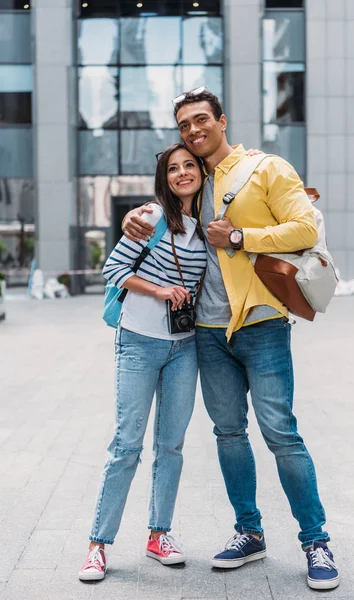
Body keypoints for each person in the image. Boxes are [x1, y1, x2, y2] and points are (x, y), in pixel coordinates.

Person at [122, 88, 340, 591]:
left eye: (201, 120)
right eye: (184, 125)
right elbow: (166, 205)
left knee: (281, 433)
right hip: (207, 331)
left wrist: (242, 238)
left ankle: (315, 540)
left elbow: (303, 226)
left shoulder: (266, 168)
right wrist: (138, 213)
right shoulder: (195, 183)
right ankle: (249, 531)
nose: (193, 131)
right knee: (228, 434)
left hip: (261, 322)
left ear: (222, 120)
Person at [78, 143, 207, 581]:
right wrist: (160, 290)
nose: (183, 173)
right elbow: (113, 270)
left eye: (190, 165)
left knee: (170, 446)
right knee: (127, 445)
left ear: (202, 173)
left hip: (184, 346)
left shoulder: (207, 226)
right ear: (164, 177)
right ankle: (98, 545)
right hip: (138, 341)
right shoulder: (151, 217)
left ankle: (158, 534)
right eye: (174, 168)